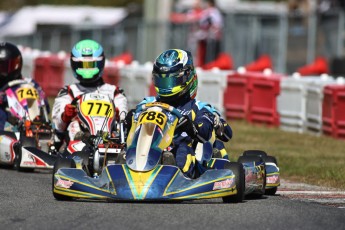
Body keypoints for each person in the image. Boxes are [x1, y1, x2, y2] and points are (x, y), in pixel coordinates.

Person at [130, 48, 229, 178]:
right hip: (149, 149)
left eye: (171, 80)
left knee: (182, 151)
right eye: (162, 80)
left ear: (186, 77)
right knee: (125, 151)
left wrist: (191, 127)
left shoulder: (198, 108)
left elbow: (221, 133)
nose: (166, 86)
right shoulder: (147, 104)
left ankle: (176, 174)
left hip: (186, 153)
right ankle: (124, 170)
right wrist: (128, 118)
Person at [52, 39, 128, 142]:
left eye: (90, 65)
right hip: (77, 140)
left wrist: (118, 115)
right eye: (82, 65)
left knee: (120, 128)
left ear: (100, 63)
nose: (86, 69)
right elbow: (57, 125)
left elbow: (123, 120)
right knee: (74, 125)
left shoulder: (115, 92)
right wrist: (65, 116)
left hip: (108, 139)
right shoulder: (69, 92)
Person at [0, 42, 49, 131]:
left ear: (16, 65)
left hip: (22, 126)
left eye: (3, 67)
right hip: (5, 129)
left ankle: (37, 126)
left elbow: (46, 107)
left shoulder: (30, 84)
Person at [196, 0, 224, 67]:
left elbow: (204, 23)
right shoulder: (214, 12)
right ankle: (207, 65)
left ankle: (209, 65)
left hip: (210, 36)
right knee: (208, 53)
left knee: (210, 53)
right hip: (208, 36)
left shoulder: (211, 11)